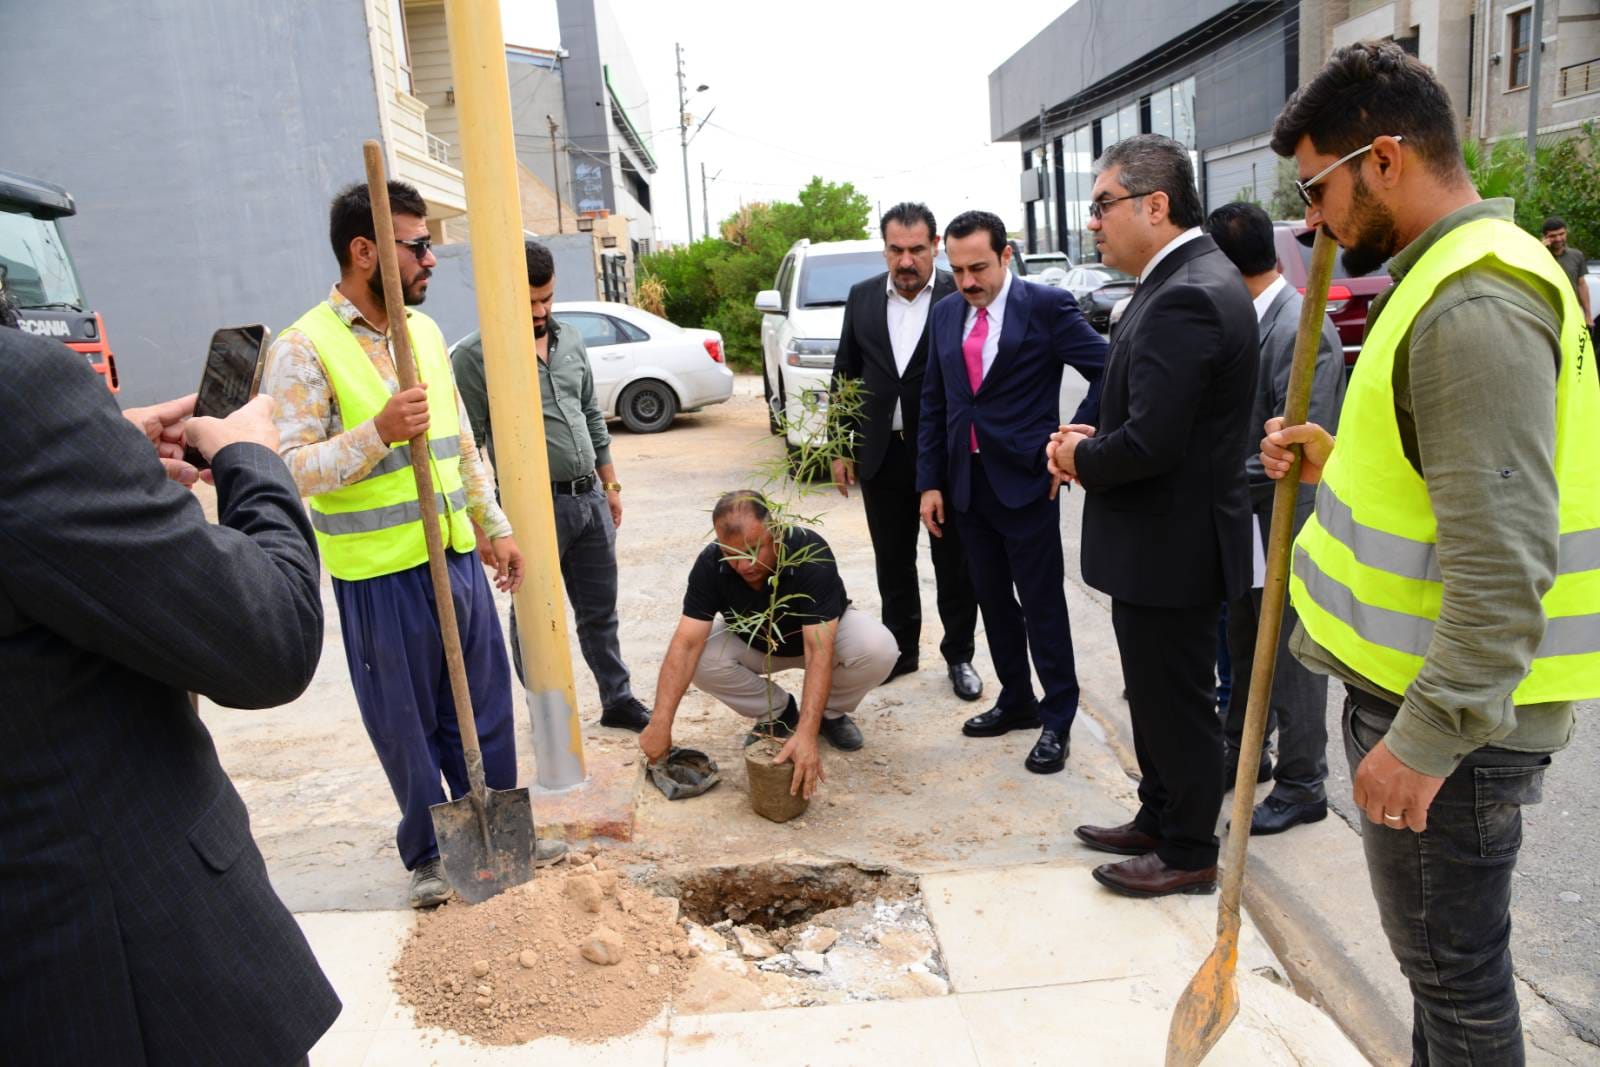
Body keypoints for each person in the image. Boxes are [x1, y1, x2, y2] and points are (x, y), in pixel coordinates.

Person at [1262, 42, 1598, 1063]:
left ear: (1386, 158)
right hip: (1438, 703)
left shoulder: (1470, 302)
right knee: (1444, 978)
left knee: (1456, 990)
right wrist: (1331, 459)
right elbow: (1444, 480)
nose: (1312, 219)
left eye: (1318, 186)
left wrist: (1423, 737)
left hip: (1450, 721)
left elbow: (1504, 561)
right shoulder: (1452, 277)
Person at [1, 327, 340, 1063]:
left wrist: (98, 456)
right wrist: (254, 459)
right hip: (131, 979)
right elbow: (269, 639)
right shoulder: (18, 392)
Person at [260, 179, 562, 910]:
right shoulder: (304, 348)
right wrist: (378, 432)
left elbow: (462, 444)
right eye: (417, 244)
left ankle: (499, 835)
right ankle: (430, 853)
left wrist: (495, 528)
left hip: (454, 557)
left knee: (486, 706)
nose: (432, 257)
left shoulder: (424, 335)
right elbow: (292, 467)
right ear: (365, 252)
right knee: (406, 720)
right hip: (380, 577)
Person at [1052, 134, 1257, 897]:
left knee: (1179, 702)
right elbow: (1139, 411)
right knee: (1157, 694)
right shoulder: (1173, 282)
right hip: (1159, 544)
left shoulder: (1189, 293)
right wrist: (1087, 434)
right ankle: (1159, 811)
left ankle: (1188, 849)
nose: (1094, 224)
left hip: (1174, 548)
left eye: (1103, 205)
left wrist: (1080, 458)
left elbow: (1152, 442)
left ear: (1156, 205)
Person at [917, 210, 1106, 775]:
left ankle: (1057, 718)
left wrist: (1073, 436)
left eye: (978, 267)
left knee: (1042, 604)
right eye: (957, 270)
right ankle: (1017, 700)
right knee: (993, 601)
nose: (968, 281)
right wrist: (929, 480)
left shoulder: (1046, 307)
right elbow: (935, 400)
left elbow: (1110, 366)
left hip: (1027, 482)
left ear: (1006, 255)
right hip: (966, 486)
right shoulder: (947, 312)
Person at [452, 239, 650, 732]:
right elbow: (467, 448)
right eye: (530, 301)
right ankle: (549, 719)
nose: (541, 311)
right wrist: (482, 524)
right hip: (530, 508)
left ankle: (617, 699)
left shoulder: (571, 340)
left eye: (548, 298)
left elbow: (590, 415)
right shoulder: (476, 358)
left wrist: (611, 484)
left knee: (600, 612)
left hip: (589, 500)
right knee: (535, 619)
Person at [1204, 201, 1346, 834]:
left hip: (1286, 520)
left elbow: (1295, 453)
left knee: (1289, 654)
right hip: (1245, 521)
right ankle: (1245, 755)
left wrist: (1209, 480)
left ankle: (1303, 782)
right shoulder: (1246, 319)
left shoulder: (1301, 329)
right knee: (1242, 641)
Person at [638, 491, 899, 792]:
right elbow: (686, 645)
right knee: (702, 656)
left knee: (878, 648)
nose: (745, 564)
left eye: (754, 549)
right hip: (758, 644)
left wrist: (807, 735)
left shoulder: (808, 549)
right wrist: (661, 722)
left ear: (774, 534)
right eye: (732, 554)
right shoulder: (710, 563)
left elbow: (818, 649)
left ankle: (829, 713)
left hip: (818, 638)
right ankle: (778, 712)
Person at [829, 201, 981, 702]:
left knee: (952, 561)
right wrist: (841, 444)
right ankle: (901, 651)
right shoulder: (862, 297)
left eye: (917, 249)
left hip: (943, 454)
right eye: (896, 250)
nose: (906, 260)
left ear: (935, 247)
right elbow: (845, 373)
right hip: (881, 453)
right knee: (891, 560)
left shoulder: (958, 297)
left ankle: (959, 656)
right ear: (885, 249)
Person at [1541, 216, 1593, 333]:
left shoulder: (1576, 255)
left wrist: (1588, 315)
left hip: (1572, 313)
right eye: (1553, 236)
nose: (1558, 238)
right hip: (1546, 312)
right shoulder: (1538, 254)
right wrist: (1540, 249)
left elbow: (1582, 285)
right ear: (1545, 236)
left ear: (1566, 233)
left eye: (1561, 234)